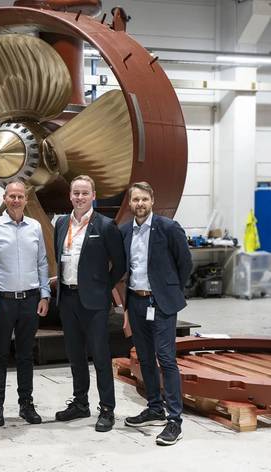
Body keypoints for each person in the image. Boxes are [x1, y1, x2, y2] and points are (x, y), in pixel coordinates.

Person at [121, 181, 192, 446]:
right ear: (130, 203)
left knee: (166, 357)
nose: (139, 204)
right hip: (137, 303)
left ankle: (175, 420)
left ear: (152, 201)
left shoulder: (168, 227)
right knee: (145, 358)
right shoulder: (125, 230)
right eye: (135, 200)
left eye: (144, 200)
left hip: (160, 303)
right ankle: (154, 408)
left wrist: (169, 290)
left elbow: (184, 263)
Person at [54, 175, 126, 432]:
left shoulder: (106, 226)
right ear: (70, 196)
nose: (80, 197)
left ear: (93, 196)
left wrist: (103, 286)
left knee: (101, 356)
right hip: (68, 299)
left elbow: (120, 263)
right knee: (74, 354)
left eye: (85, 193)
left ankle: (107, 408)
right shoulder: (61, 223)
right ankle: (80, 403)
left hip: (94, 301)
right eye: (76, 193)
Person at [0, 181, 50, 427]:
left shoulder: (34, 227)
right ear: (4, 198)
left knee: (25, 355)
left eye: (19, 196)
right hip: (3, 301)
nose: (15, 200)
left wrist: (44, 294)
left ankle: (26, 404)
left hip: (30, 300)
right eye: (11, 196)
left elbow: (42, 261)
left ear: (26, 200)